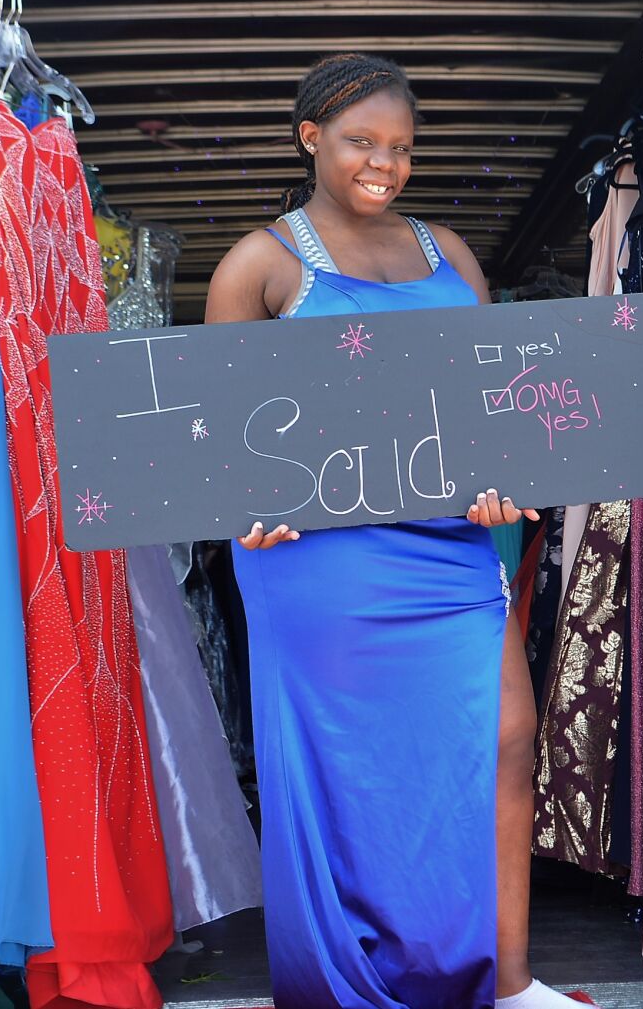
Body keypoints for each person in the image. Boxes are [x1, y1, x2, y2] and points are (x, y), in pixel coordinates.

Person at [205, 53, 581, 1009]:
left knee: (505, 735)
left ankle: (510, 978)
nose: (384, 163)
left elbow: (485, 404)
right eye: (361, 142)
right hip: (319, 563)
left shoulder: (448, 251)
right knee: (354, 770)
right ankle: (350, 981)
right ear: (309, 139)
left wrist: (500, 482)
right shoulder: (261, 262)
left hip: (451, 549)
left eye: (401, 148)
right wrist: (244, 503)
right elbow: (214, 432)